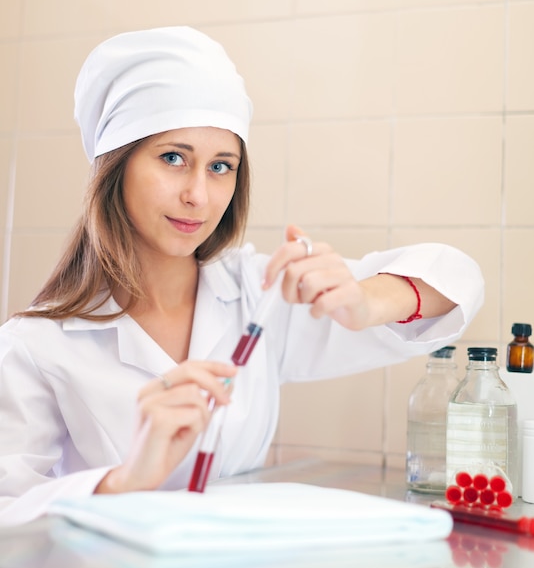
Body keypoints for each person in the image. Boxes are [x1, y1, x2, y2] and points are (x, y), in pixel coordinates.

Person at [0, 26, 484, 525]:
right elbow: (7, 508)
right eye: (173, 158)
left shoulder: (258, 296)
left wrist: (363, 302)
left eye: (221, 167)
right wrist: (125, 481)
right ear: (115, 166)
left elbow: (456, 280)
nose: (198, 195)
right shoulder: (36, 345)